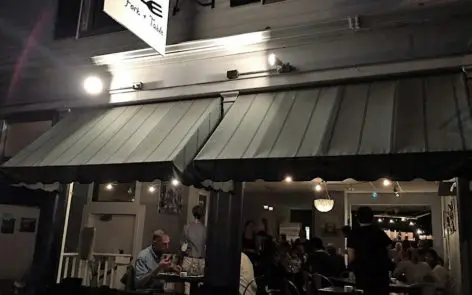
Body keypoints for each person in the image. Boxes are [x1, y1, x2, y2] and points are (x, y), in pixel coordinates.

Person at [347, 207, 392, 295]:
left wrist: (351, 270)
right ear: (372, 218)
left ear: (358, 219)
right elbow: (389, 250)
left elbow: (351, 256)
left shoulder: (354, 234)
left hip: (363, 273)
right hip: (380, 273)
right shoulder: (379, 232)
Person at [181, 205, 206, 275]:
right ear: (203, 215)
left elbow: (182, 247)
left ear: (193, 214)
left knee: (186, 284)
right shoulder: (205, 230)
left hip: (189, 259)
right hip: (201, 261)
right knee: (199, 283)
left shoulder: (187, 227)